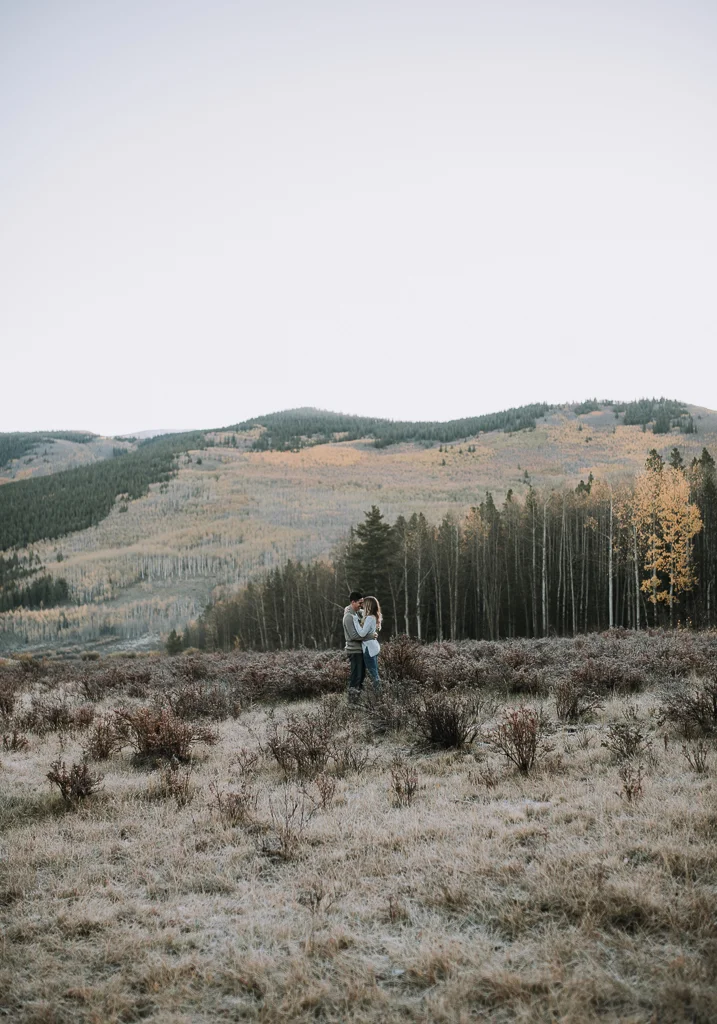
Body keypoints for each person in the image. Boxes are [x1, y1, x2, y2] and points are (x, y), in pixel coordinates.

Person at [352, 595, 382, 692]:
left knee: (374, 674)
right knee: (375, 672)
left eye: (364, 603)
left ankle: (379, 695)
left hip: (369, 649)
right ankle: (380, 694)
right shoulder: (373, 617)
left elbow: (362, 633)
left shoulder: (369, 618)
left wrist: (355, 621)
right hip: (373, 647)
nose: (362, 605)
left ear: (368, 605)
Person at [342, 590, 366, 702]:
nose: (361, 606)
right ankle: (352, 701)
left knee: (361, 677)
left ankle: (358, 700)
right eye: (359, 603)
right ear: (353, 602)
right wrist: (369, 636)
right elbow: (353, 635)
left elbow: (368, 612)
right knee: (355, 676)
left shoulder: (356, 613)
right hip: (354, 651)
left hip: (360, 650)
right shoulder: (348, 617)